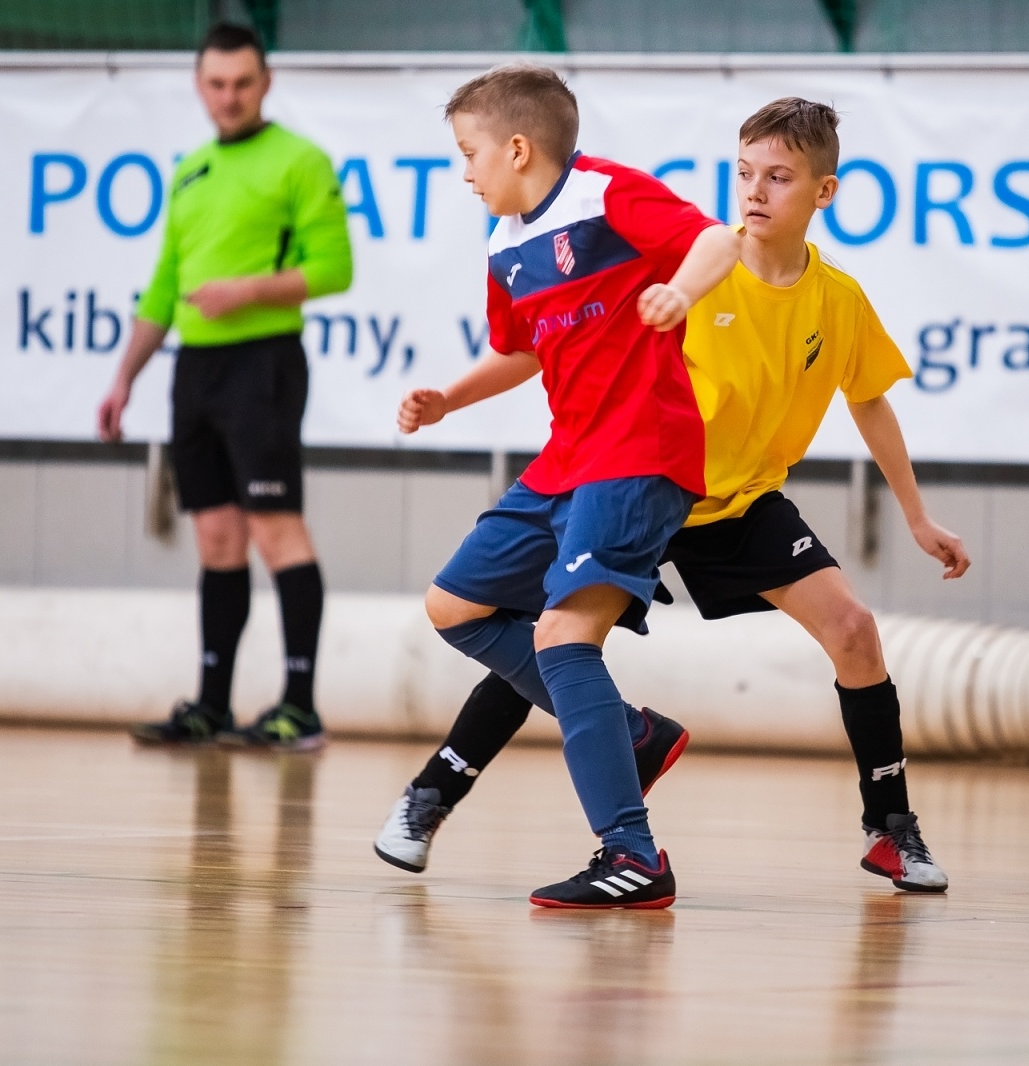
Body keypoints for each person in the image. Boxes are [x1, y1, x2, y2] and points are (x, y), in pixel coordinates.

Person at [376, 97, 969, 894]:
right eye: (744, 173)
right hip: (647, 475)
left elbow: (869, 400)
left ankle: (891, 828)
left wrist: (916, 514)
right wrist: (454, 395)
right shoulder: (688, 272)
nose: (756, 191)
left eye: (779, 177)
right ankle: (434, 796)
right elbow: (558, 341)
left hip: (735, 502)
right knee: (549, 630)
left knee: (854, 630)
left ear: (823, 192)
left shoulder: (838, 299)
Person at [395, 64, 741, 910]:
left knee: (561, 636)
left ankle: (634, 856)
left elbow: (718, 241)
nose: (465, 172)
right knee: (454, 607)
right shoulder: (504, 243)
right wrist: (450, 396)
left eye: (469, 153)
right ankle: (629, 734)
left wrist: (677, 291)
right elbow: (519, 352)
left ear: (518, 147)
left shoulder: (606, 191)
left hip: (639, 453)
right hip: (567, 460)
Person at [97, 23, 352, 751]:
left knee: (275, 530)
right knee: (214, 537)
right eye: (216, 84)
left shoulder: (300, 162)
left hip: (262, 362)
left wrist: (247, 290)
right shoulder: (191, 171)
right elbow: (163, 288)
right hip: (194, 371)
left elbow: (335, 269)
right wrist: (124, 378)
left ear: (265, 83)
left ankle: (299, 706)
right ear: (199, 86)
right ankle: (211, 704)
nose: (229, 96)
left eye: (242, 83)